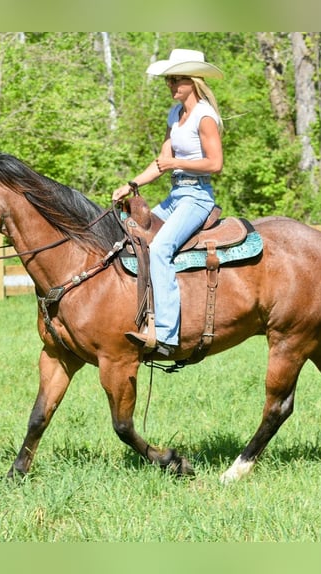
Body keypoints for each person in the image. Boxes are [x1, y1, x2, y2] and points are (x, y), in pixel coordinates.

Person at [113, 48, 224, 357]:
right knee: (131, 237)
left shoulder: (204, 117)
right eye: (168, 80)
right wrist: (131, 184)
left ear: (193, 80)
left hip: (197, 197)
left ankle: (166, 334)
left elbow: (215, 164)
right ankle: (139, 314)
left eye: (177, 79)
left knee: (160, 248)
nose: (171, 85)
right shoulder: (174, 115)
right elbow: (162, 163)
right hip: (176, 195)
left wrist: (176, 161)